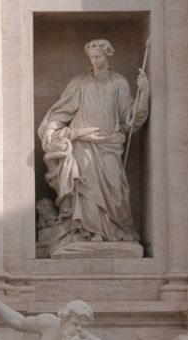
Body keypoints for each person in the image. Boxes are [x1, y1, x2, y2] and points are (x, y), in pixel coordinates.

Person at [37, 39, 149, 253]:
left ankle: (114, 231)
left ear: (108, 56)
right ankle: (88, 232)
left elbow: (130, 118)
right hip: (83, 143)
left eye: (98, 56)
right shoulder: (80, 82)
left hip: (109, 144)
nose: (95, 61)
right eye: (91, 57)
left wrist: (144, 93)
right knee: (86, 187)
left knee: (115, 189)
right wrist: (51, 129)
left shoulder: (119, 83)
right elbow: (64, 110)